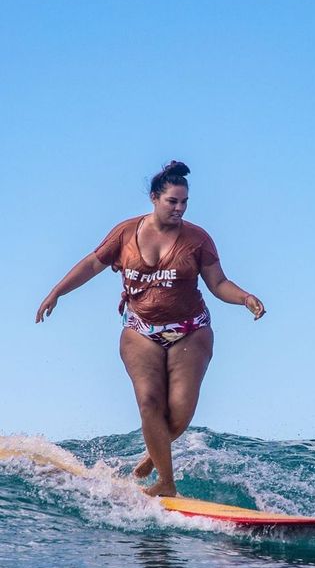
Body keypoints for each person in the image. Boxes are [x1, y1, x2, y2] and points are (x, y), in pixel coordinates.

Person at [36, 161, 265, 497]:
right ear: (155, 198)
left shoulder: (197, 239)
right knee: (149, 401)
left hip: (190, 330)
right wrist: (57, 292)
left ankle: (153, 456)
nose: (179, 208)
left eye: (184, 202)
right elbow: (91, 264)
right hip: (140, 330)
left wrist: (245, 298)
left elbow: (218, 283)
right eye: (173, 201)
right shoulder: (126, 233)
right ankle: (166, 484)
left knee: (181, 411)